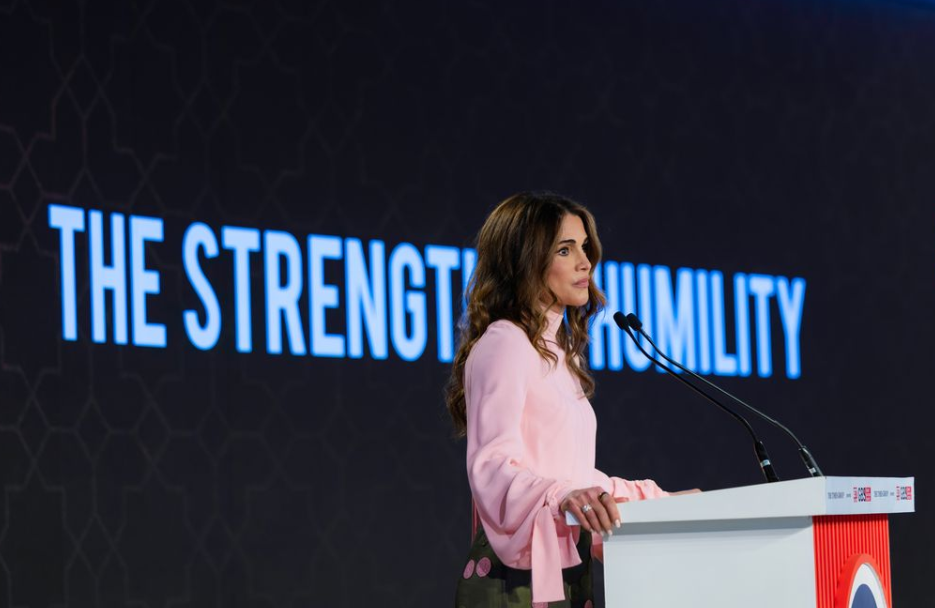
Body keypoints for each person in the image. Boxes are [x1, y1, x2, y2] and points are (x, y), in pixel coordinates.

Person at [447, 192, 672, 607]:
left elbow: (570, 476)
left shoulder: (559, 355)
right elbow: (492, 465)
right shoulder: (505, 343)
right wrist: (561, 496)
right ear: (524, 260)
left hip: (569, 567)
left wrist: (657, 503)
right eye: (565, 250)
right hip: (516, 579)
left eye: (584, 247)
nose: (585, 263)